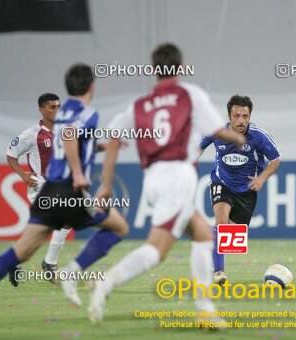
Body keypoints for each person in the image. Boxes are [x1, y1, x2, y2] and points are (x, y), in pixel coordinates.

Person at [88, 43, 245, 326]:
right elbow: (217, 130)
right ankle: (105, 283)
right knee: (157, 250)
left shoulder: (138, 106)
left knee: (203, 235)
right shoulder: (189, 94)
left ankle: (206, 310)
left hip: (153, 180)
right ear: (181, 68)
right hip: (177, 177)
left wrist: (106, 185)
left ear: (152, 70)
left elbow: (111, 143)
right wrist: (237, 139)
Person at [0, 64, 129, 307]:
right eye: (51, 106)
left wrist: (103, 146)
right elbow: (70, 135)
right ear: (92, 86)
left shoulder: (64, 115)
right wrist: (78, 173)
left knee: (22, 250)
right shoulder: (85, 113)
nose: (56, 109)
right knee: (119, 227)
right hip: (64, 188)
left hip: (51, 191)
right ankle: (65, 271)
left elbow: (77, 141)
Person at [199, 95, 281, 285]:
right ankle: (219, 271)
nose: (241, 120)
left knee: (231, 239)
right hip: (222, 182)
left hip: (246, 190)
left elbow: (276, 159)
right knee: (221, 222)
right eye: (236, 116)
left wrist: (261, 178)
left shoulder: (258, 136)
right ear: (229, 116)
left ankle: (213, 250)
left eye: (245, 116)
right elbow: (199, 147)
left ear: (250, 116)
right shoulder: (217, 131)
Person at [5, 93, 73, 286]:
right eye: (52, 107)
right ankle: (49, 264)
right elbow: (11, 154)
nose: (57, 110)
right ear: (41, 110)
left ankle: (16, 261)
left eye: (59, 106)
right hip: (40, 188)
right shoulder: (32, 134)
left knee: (49, 228)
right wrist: (23, 175)